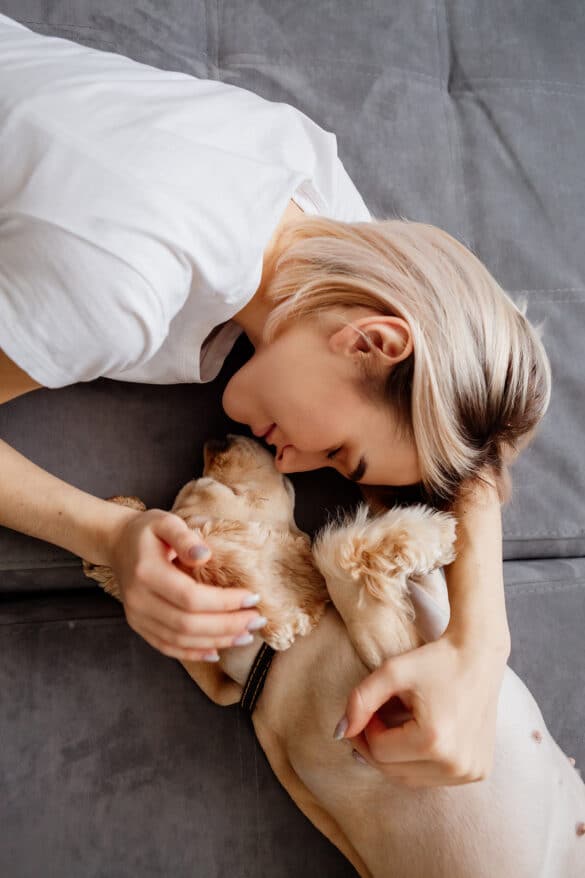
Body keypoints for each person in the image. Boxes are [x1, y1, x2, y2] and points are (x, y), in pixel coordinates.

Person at [0, 13, 551, 790]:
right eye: (339, 453)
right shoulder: (126, 284)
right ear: (371, 343)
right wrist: (109, 530)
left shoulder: (306, 194)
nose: (293, 463)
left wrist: (480, 648)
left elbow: (468, 443)